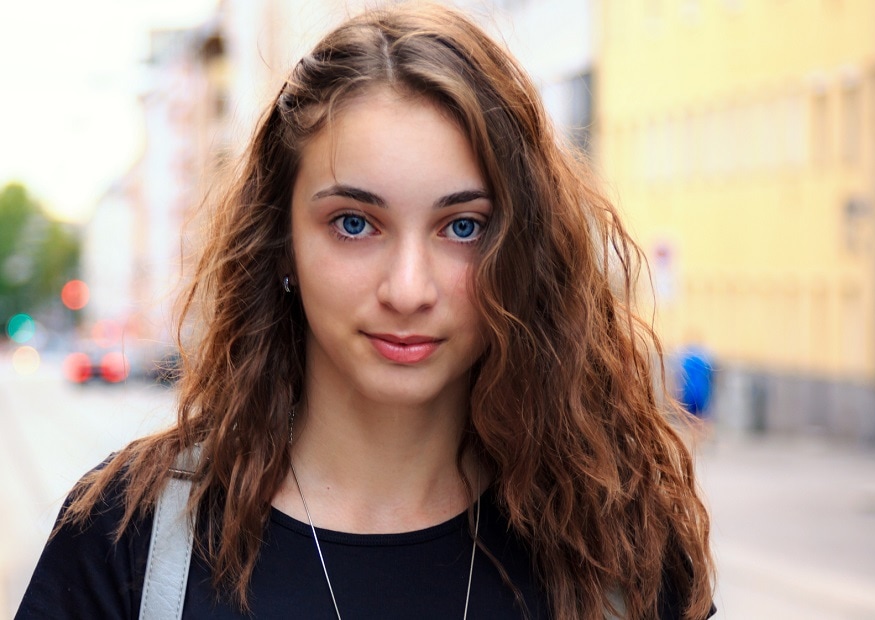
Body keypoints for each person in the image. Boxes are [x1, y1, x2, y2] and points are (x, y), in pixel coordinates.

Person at [17, 4, 715, 619]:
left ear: (523, 250)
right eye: (355, 224)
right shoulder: (128, 541)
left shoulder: (618, 549)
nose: (408, 289)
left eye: (463, 226)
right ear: (281, 243)